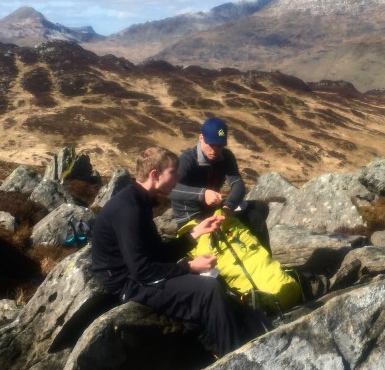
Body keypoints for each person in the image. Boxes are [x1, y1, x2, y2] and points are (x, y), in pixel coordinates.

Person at [90, 146, 265, 357]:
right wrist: (189, 267)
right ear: (155, 175)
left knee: (210, 283)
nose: (178, 177)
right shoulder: (129, 210)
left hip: (136, 274)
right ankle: (233, 356)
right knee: (207, 289)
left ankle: (217, 345)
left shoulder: (139, 201)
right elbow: (141, 270)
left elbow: (157, 252)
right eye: (173, 172)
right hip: (127, 283)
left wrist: (196, 232)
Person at [169, 117, 270, 250]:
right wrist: (202, 194)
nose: (215, 150)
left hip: (215, 210)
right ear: (200, 138)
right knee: (254, 218)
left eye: (220, 145)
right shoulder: (187, 160)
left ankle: (264, 260)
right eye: (211, 144)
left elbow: (237, 183)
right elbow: (171, 190)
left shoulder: (226, 156)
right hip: (192, 217)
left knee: (260, 208)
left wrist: (229, 206)